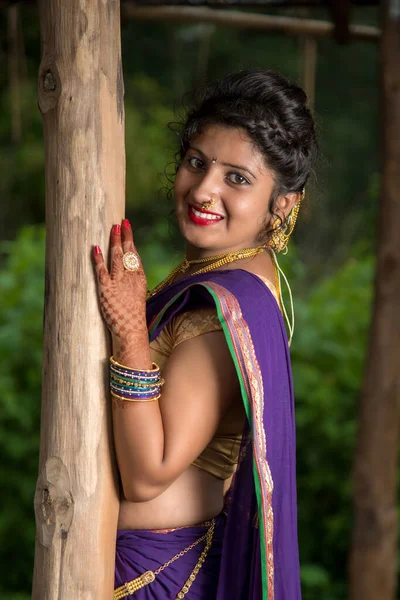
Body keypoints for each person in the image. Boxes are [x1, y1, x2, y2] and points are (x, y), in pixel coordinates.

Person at [93, 69, 318, 600]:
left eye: (237, 178)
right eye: (197, 162)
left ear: (282, 204)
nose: (204, 189)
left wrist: (129, 332)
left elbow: (150, 474)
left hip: (152, 576)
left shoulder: (223, 311)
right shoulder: (225, 275)